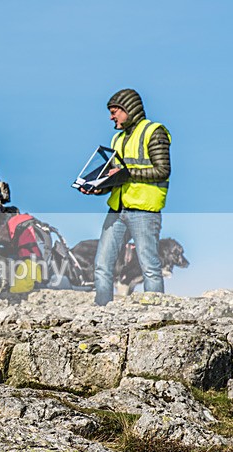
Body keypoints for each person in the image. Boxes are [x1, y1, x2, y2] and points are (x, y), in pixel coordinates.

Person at [82, 88, 171, 306]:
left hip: (144, 211)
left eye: (115, 112)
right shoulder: (116, 139)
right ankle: (102, 310)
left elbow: (163, 170)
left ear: (129, 110)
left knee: (149, 265)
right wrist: (97, 188)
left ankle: (154, 314)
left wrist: (128, 173)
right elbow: (115, 178)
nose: (112, 117)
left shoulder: (154, 132)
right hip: (117, 210)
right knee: (102, 264)